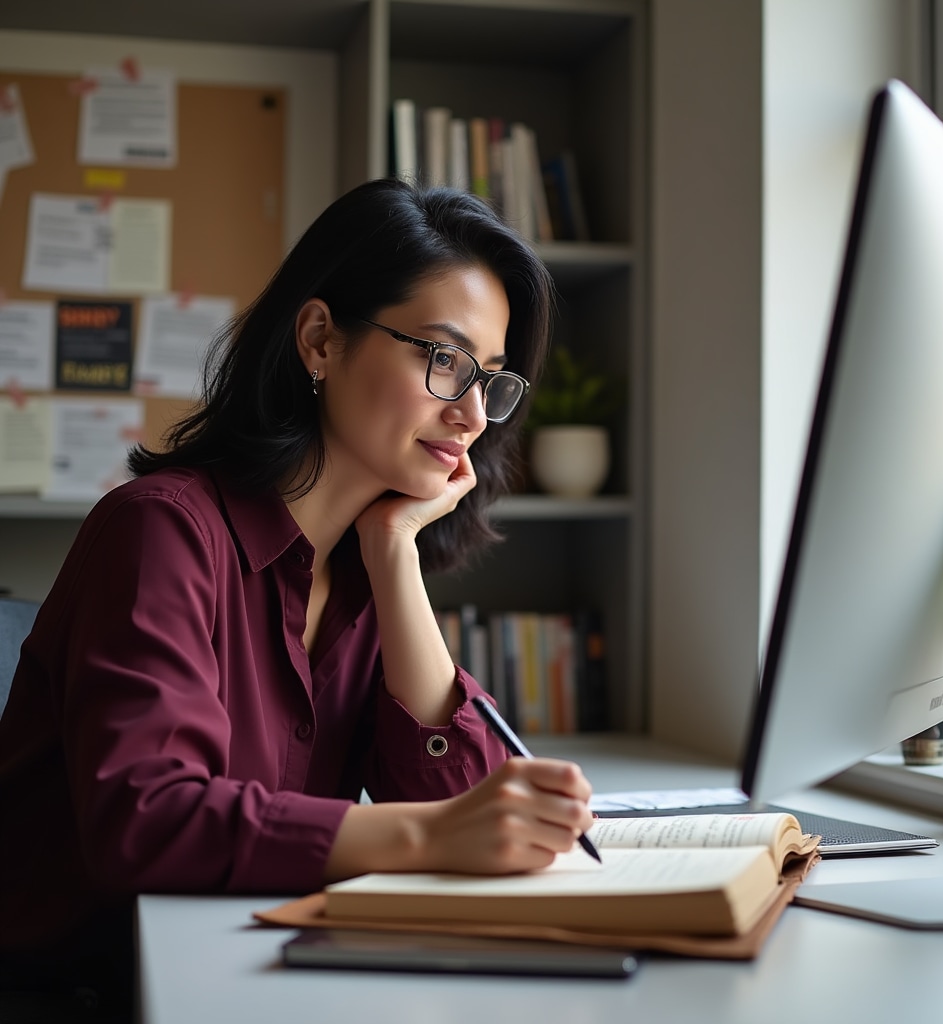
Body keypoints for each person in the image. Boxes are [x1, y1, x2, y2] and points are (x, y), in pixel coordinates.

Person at [0, 178, 595, 1022]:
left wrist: (394, 553)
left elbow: (464, 805)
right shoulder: (160, 533)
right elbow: (149, 821)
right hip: (70, 993)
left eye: (491, 380)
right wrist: (432, 838)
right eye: (444, 359)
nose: (470, 414)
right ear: (320, 340)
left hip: (238, 972)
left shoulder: (362, 571)